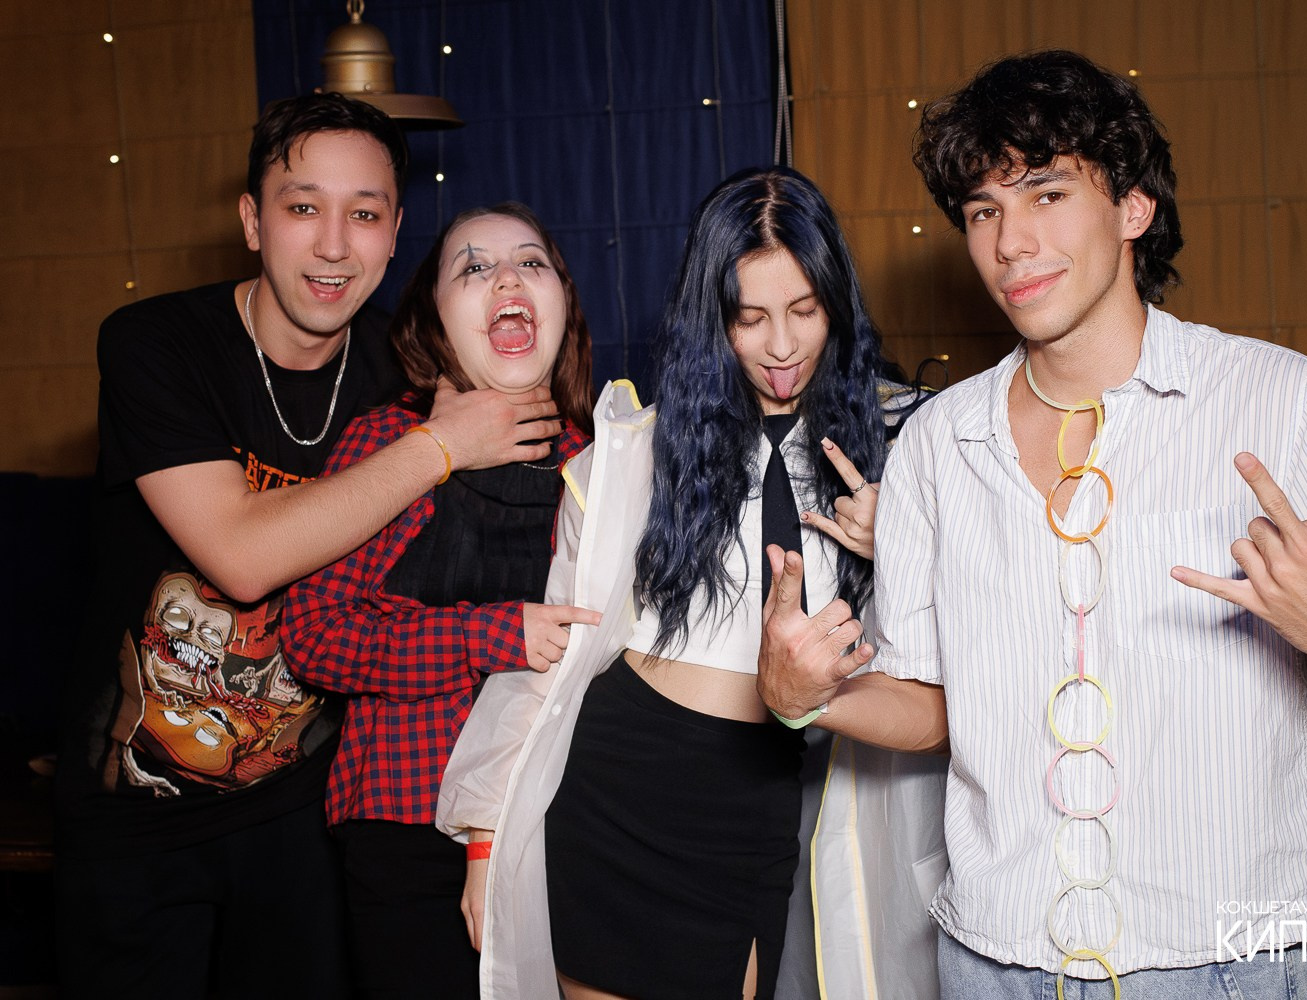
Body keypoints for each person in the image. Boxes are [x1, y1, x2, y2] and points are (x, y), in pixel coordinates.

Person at [757, 50, 1307, 999]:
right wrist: (803, 697)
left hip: (1222, 965)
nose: (1010, 241)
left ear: (1133, 207)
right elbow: (935, 708)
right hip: (992, 959)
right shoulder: (938, 444)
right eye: (983, 211)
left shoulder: (1283, 403)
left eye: (1046, 193)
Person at [56, 94, 562, 997]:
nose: (333, 245)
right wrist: (439, 446)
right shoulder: (157, 344)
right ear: (253, 221)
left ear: (395, 233)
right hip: (138, 805)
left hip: (304, 814)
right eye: (302, 208)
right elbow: (240, 558)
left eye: (364, 214)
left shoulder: (408, 368)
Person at [438, 166, 897, 1000]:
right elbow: (549, 658)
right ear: (710, 320)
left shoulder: (894, 454)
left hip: (758, 796)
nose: (782, 346)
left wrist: (894, 543)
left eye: (804, 310)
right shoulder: (630, 457)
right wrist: (484, 838)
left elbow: (925, 662)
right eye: (750, 318)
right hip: (618, 789)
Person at [280, 202, 598, 999]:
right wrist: (490, 635)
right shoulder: (389, 444)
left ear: (562, 302)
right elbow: (313, 636)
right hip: (408, 823)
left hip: (559, 821)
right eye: (475, 266)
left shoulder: (598, 460)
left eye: (531, 262)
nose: (507, 277)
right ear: (435, 320)